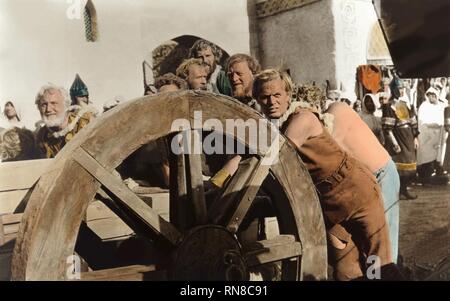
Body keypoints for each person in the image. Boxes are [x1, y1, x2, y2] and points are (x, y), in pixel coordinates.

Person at [215, 69, 399, 280]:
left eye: (277, 95)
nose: (271, 101)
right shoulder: (277, 127)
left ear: (288, 96)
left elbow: (279, 161)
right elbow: (254, 154)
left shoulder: (303, 119)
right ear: (257, 99)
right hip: (330, 202)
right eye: (265, 97)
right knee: (345, 265)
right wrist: (219, 181)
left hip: (358, 193)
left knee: (378, 262)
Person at [327, 100, 400, 264]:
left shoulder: (338, 110)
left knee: (384, 237)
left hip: (382, 173)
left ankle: (390, 272)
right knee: (373, 238)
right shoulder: (331, 115)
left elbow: (330, 147)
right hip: (367, 179)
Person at [382, 80, 419, 200]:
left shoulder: (405, 104)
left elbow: (413, 123)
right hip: (398, 138)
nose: (402, 90)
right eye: (399, 88)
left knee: (408, 166)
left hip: (408, 138)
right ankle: (396, 192)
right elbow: (387, 128)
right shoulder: (389, 106)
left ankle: (404, 190)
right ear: (394, 89)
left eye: (403, 88)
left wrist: (415, 138)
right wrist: (394, 143)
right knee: (398, 168)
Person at [34, 84, 95, 158]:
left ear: (66, 105)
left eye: (54, 103)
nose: (48, 109)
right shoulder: (42, 136)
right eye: (44, 104)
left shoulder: (87, 123)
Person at [416, 87, 448, 184]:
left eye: (434, 95)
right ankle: (424, 177)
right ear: (428, 96)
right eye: (431, 95)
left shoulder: (439, 106)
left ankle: (437, 174)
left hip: (437, 135)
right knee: (426, 156)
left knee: (438, 155)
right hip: (426, 136)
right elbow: (422, 121)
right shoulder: (424, 106)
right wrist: (433, 125)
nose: (433, 97)